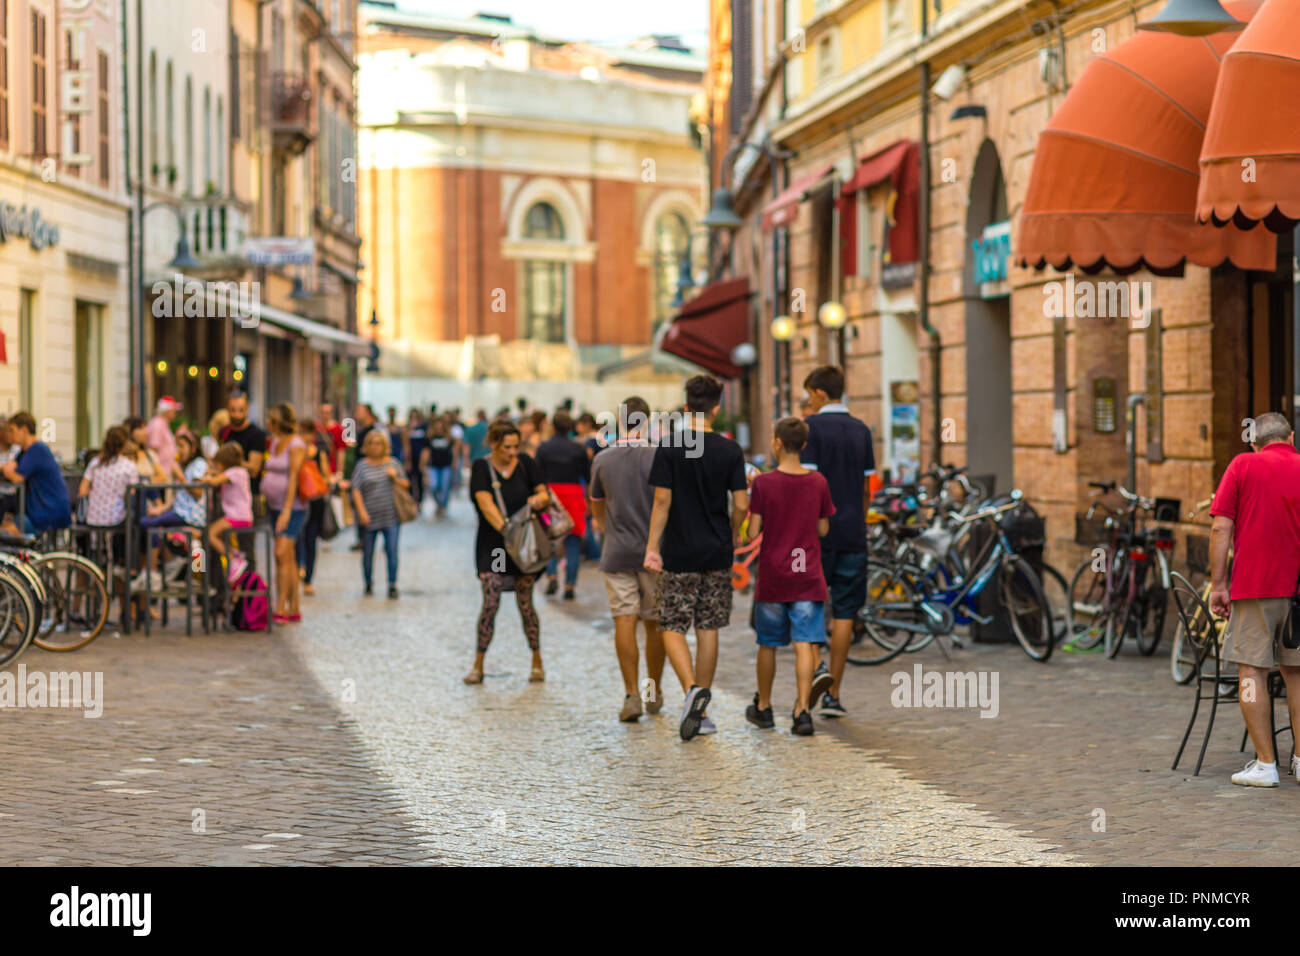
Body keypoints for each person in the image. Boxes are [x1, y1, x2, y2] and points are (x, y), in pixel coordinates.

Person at [644, 375, 748, 741]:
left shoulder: (671, 446)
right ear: (717, 408)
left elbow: (661, 501)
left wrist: (652, 546)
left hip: (678, 550)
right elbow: (741, 504)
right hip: (717, 550)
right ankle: (700, 710)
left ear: (686, 407)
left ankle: (690, 691)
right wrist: (734, 531)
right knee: (708, 627)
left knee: (672, 624)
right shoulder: (730, 450)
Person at [1209, 411, 1300, 787]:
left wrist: (1218, 583)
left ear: (1253, 440)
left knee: (1251, 671)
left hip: (1254, 586)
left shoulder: (1243, 465)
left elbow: (1220, 526)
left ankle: (1265, 764)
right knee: (1296, 673)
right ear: (1291, 437)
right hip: (1297, 591)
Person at [744, 418, 835, 736]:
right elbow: (823, 529)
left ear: (777, 443)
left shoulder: (764, 484)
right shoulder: (818, 482)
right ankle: (802, 711)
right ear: (804, 445)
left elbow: (752, 531)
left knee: (767, 645)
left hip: (774, 575)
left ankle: (765, 707)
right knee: (805, 642)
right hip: (808, 577)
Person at [801, 364, 874, 719]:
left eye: (808, 395)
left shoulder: (809, 429)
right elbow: (865, 488)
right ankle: (834, 693)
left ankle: (816, 665)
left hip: (816, 534)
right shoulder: (862, 430)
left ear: (818, 392)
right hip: (853, 533)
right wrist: (858, 519)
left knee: (812, 603)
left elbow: (808, 486)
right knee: (845, 612)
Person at [589, 396, 665, 722]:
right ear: (646, 422)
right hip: (654, 552)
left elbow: (596, 504)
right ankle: (653, 691)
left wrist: (607, 530)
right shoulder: (660, 457)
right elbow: (666, 502)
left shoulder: (603, 460)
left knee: (624, 620)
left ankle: (631, 693)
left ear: (619, 422)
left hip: (617, 550)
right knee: (654, 624)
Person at [466, 421, 550, 685]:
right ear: (493, 444)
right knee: (491, 603)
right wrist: (507, 529)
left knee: (526, 604)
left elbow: (543, 493)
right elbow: (484, 502)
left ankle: (537, 661)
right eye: (507, 447)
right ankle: (478, 663)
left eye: (516, 446)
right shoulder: (482, 467)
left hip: (525, 546)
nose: (512, 452)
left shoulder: (526, 463)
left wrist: (539, 500)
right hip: (496, 547)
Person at [536, 409, 589, 600]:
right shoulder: (578, 449)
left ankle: (551, 575)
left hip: (550, 495)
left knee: (549, 538)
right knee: (573, 541)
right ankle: (569, 585)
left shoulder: (543, 448)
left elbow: (537, 476)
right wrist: (588, 500)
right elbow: (587, 476)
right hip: (574, 495)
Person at [262, 403, 307, 624]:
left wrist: (287, 510)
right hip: (275, 507)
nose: (268, 423)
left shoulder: (296, 444)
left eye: (271, 419)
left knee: (281, 553)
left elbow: (294, 477)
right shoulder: (276, 442)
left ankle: (280, 607)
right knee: (285, 558)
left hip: (293, 508)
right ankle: (294, 607)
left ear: (279, 421)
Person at [350, 428, 407, 599]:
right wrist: (361, 511)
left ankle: (392, 584)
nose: (375, 447)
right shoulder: (362, 466)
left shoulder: (393, 464)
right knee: (368, 552)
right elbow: (356, 489)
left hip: (391, 516)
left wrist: (395, 478)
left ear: (384, 446)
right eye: (372, 444)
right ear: (367, 446)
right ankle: (368, 583)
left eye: (379, 443)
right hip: (369, 516)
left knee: (391, 550)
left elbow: (406, 485)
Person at [0, 411, 71, 536]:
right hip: (38, 511)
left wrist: (7, 471)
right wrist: (6, 470)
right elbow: (9, 466)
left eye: (13, 430)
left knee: (4, 532)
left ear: (25, 430)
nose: (10, 435)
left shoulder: (37, 449)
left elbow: (17, 478)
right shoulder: (25, 451)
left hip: (47, 513)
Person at [297, 418, 332, 596]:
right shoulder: (294, 452)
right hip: (297, 501)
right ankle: (298, 568)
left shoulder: (319, 454)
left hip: (315, 502)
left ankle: (308, 579)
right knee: (297, 539)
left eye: (307, 432)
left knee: (310, 540)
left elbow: (326, 476)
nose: (304, 436)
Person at [202, 442, 252, 567]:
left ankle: (232, 559)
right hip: (241, 515)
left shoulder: (234, 473)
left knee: (210, 533)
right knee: (216, 534)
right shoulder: (241, 472)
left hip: (237, 515)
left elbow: (214, 482)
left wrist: (206, 477)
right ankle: (234, 554)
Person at [79, 425, 139, 530]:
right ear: (124, 444)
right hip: (116, 517)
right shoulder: (129, 466)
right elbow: (132, 493)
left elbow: (82, 491)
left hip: (94, 517)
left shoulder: (95, 463)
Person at [219, 393, 268, 494]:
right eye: (233, 410)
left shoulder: (256, 434)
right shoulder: (224, 431)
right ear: (227, 409)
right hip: (227, 493)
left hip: (249, 493)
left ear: (247, 409)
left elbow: (254, 470)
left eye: (241, 410)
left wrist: (231, 462)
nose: (237, 415)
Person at [422, 418, 455, 517]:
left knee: (445, 487)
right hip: (434, 465)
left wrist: (455, 462)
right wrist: (423, 465)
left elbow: (454, 450)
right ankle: (438, 503)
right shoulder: (430, 438)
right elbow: (426, 451)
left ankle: (443, 506)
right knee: (433, 486)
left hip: (446, 465)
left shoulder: (449, 437)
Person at [146, 396, 183, 476]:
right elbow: (153, 449)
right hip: (162, 472)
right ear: (166, 410)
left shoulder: (163, 423)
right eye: (173, 410)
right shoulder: (158, 424)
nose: (175, 413)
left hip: (166, 470)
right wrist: (158, 471)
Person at [404, 409, 428, 509]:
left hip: (420, 458)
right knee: (409, 479)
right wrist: (407, 460)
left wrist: (424, 461)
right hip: (411, 458)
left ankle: (419, 501)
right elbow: (406, 444)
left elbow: (426, 445)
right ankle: (411, 499)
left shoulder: (424, 428)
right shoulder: (407, 428)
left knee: (419, 479)